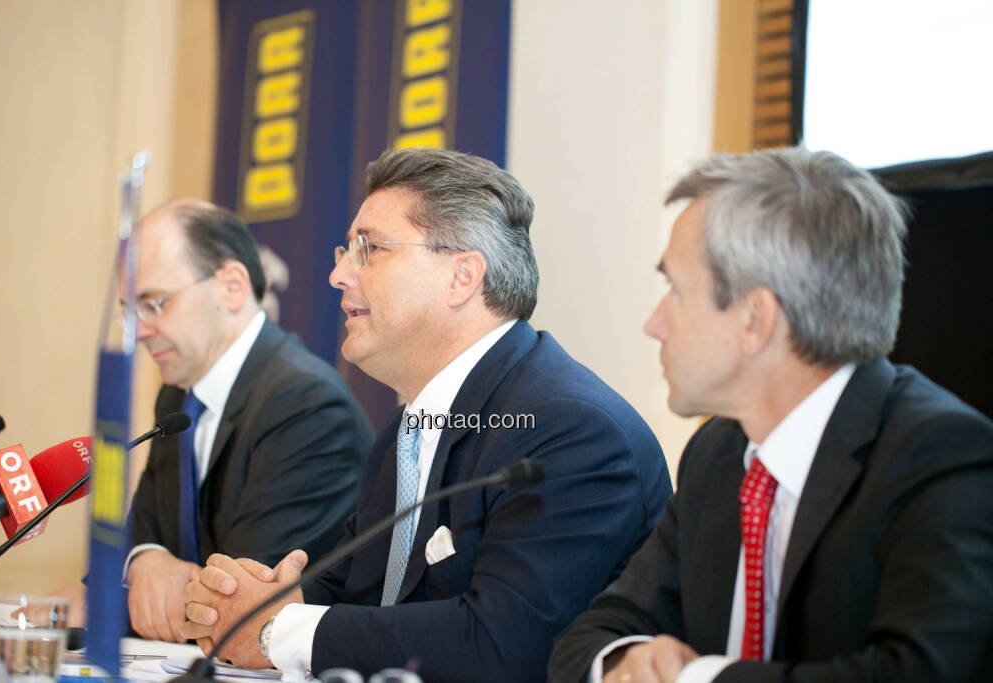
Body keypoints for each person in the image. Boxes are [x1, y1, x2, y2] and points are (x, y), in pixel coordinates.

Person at [180, 149, 673, 681]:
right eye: (345, 250)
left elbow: (503, 643)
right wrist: (249, 602)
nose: (338, 273)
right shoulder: (411, 427)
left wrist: (278, 631)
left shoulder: (570, 431)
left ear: (463, 277)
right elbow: (357, 587)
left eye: (369, 249)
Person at [548, 147, 993, 682]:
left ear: (755, 320)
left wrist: (699, 679)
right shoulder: (716, 453)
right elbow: (595, 633)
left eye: (675, 290)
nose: (654, 323)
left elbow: (922, 673)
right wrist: (624, 664)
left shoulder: (941, 454)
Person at [124, 199, 374, 643]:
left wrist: (137, 588)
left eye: (155, 303)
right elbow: (144, 532)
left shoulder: (307, 406)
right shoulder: (177, 398)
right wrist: (144, 560)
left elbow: (236, 607)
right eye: (130, 310)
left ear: (233, 287)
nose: (139, 330)